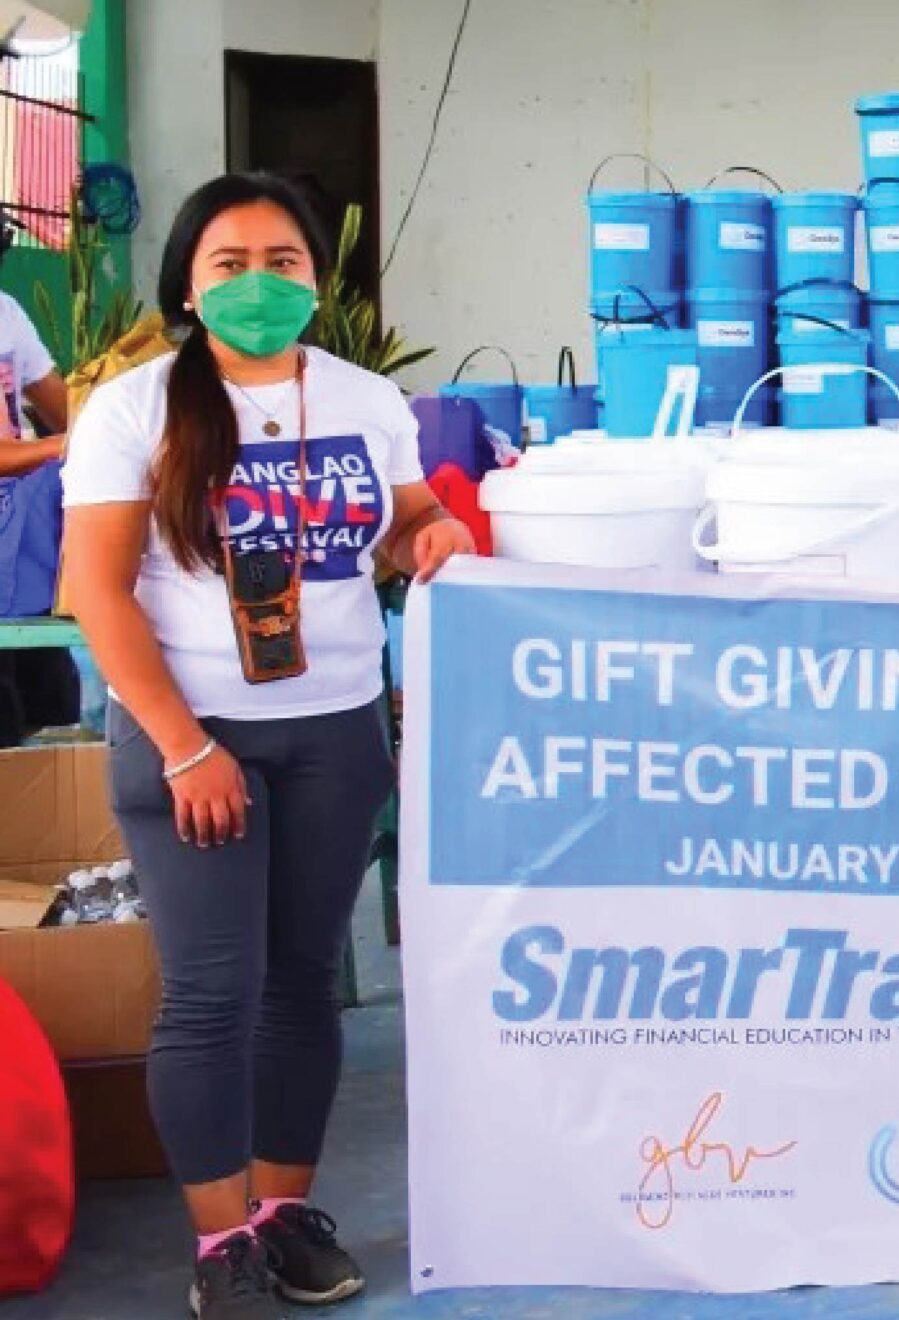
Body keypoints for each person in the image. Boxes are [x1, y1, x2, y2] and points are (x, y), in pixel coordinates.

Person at [57, 174, 475, 1320]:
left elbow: (400, 523)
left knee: (302, 984)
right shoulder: (134, 410)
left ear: (317, 280)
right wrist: (186, 747)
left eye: (282, 262)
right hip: (191, 737)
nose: (258, 283)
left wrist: (432, 529)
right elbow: (97, 591)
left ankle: (282, 1216)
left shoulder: (363, 399)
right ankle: (220, 1240)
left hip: (336, 730)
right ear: (188, 288)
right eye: (229, 263)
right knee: (212, 994)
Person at [0, 286, 81, 747]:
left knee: (52, 704)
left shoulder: (6, 310)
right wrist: (66, 444)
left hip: (18, 536)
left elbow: (64, 408)